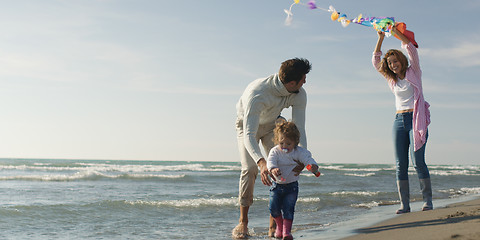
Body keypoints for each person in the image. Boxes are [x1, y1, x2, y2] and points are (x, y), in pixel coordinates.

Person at [233, 58, 312, 238]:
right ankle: (243, 223)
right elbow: (249, 135)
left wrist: (301, 157)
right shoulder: (258, 93)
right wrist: (261, 163)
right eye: (303, 78)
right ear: (291, 82)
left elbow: (299, 128)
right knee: (251, 168)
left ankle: (274, 226)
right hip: (246, 126)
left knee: (282, 165)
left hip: (273, 126)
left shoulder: (299, 93)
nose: (305, 81)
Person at [372, 26, 433, 214]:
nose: (392, 65)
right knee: (400, 164)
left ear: (401, 60)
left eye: (395, 61)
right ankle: (404, 205)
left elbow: (410, 47)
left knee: (418, 162)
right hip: (398, 121)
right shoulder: (392, 80)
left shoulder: (414, 72)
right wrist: (381, 38)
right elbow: (375, 61)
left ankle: (427, 201)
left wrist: (393, 30)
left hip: (416, 120)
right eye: (389, 63)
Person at [267, 121, 319, 240]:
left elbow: (307, 158)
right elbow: (271, 161)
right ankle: (279, 227)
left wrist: (313, 166)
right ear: (277, 140)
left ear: (295, 142)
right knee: (273, 208)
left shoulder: (298, 152)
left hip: (292, 187)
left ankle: (287, 232)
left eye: (288, 143)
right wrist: (273, 169)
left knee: (288, 209)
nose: (284, 146)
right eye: (281, 143)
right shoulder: (275, 151)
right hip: (276, 186)